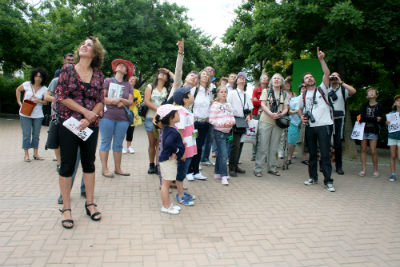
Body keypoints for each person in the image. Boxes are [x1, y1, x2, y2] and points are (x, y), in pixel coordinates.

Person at [55, 36, 105, 229]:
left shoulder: (99, 75)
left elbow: (101, 100)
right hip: (68, 124)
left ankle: (90, 203)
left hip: (90, 125)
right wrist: (85, 112)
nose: (84, 45)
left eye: (89, 45)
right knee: (67, 165)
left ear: (95, 53)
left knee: (89, 163)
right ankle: (66, 209)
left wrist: (90, 117)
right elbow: (61, 96)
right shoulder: (67, 69)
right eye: (83, 43)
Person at [299, 47, 335, 192]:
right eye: (307, 78)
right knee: (312, 154)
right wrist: (302, 117)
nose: (310, 78)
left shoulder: (322, 89)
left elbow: (327, 73)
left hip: (324, 125)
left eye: (311, 76)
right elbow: (300, 109)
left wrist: (321, 59)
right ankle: (313, 177)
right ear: (303, 82)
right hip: (310, 128)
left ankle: (328, 181)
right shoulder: (303, 95)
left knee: (325, 154)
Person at [99, 59, 134, 177]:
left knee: (118, 144)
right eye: (120, 65)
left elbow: (130, 102)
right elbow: (101, 98)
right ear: (115, 68)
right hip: (107, 116)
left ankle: (118, 169)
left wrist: (120, 100)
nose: (121, 66)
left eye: (124, 66)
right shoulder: (107, 81)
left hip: (123, 118)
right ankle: (105, 169)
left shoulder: (128, 85)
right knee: (105, 142)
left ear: (126, 72)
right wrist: (114, 101)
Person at [253, 73, 289, 177]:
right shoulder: (266, 91)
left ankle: (272, 168)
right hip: (266, 121)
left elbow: (286, 107)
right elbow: (263, 104)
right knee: (262, 146)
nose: (276, 80)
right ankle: (258, 169)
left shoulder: (284, 94)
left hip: (278, 122)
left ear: (281, 82)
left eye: (278, 78)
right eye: (274, 78)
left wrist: (281, 114)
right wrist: (271, 114)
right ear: (271, 81)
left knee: (274, 147)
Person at [156, 104, 185, 215]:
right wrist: (177, 151)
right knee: (166, 184)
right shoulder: (172, 131)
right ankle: (166, 206)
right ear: (171, 118)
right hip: (168, 160)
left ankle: (168, 204)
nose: (179, 115)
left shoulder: (169, 129)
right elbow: (168, 143)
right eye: (177, 113)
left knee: (165, 183)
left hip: (167, 159)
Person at [15, 68, 48, 162]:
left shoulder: (45, 89)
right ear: (33, 76)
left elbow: (46, 102)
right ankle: (26, 154)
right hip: (25, 113)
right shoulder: (27, 84)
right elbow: (18, 90)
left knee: (36, 135)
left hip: (38, 115)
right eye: (36, 76)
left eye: (40, 77)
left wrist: (39, 101)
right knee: (26, 134)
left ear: (43, 78)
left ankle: (36, 153)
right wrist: (19, 102)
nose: (38, 78)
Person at [144, 69, 173, 174]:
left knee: (159, 143)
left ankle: (158, 165)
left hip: (163, 120)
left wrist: (169, 71)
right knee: (152, 143)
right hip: (150, 118)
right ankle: (151, 164)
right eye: (161, 73)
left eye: (165, 74)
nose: (162, 74)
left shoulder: (168, 89)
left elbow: (179, 82)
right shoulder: (150, 87)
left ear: (167, 79)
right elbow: (146, 101)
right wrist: (158, 109)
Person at [327, 72, 356, 175]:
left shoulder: (343, 89)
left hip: (339, 119)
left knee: (338, 144)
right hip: (327, 118)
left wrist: (341, 82)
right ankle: (324, 165)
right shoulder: (326, 89)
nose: (334, 78)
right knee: (325, 142)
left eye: (336, 76)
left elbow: (353, 91)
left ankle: (339, 166)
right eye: (332, 76)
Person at [173, 86, 197, 204]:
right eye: (189, 94)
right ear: (185, 99)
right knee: (181, 171)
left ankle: (181, 191)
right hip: (185, 148)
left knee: (184, 169)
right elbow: (180, 132)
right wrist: (181, 151)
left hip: (190, 145)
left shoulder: (187, 111)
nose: (192, 96)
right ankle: (180, 195)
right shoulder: (181, 113)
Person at [187, 69, 212, 181]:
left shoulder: (209, 91)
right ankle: (189, 171)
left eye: (207, 74)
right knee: (193, 145)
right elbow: (188, 104)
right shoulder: (194, 90)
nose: (205, 76)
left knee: (199, 147)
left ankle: (196, 171)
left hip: (204, 124)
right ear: (199, 77)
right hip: (195, 123)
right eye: (203, 74)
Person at [227, 72, 253, 177]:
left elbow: (249, 109)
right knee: (235, 145)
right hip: (234, 120)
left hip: (243, 121)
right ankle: (231, 167)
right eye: (240, 77)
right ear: (236, 80)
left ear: (245, 81)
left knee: (241, 144)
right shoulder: (232, 93)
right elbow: (228, 107)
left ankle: (236, 165)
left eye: (244, 78)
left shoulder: (247, 95)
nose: (242, 79)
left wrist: (248, 116)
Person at [209, 86, 235, 185]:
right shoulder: (215, 105)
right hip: (219, 132)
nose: (224, 93)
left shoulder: (229, 105)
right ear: (218, 93)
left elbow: (232, 117)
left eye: (225, 92)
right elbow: (211, 120)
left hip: (228, 132)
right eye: (221, 92)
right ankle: (224, 175)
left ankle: (217, 173)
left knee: (221, 153)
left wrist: (231, 123)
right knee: (224, 154)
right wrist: (222, 124)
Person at [358, 87, 382, 178]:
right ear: (367, 95)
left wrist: (374, 119)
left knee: (373, 151)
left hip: (374, 130)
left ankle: (375, 170)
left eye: (373, 92)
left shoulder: (379, 105)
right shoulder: (364, 105)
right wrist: (374, 119)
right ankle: (363, 169)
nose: (371, 93)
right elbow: (362, 117)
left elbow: (380, 119)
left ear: (376, 94)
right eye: (369, 92)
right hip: (363, 129)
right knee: (363, 149)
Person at [201, 65, 217, 165]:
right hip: (201, 115)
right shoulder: (199, 85)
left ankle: (205, 158)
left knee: (210, 137)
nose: (209, 72)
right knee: (200, 137)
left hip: (211, 115)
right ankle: (198, 159)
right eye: (207, 70)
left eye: (211, 70)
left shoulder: (214, 86)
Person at [251, 73, 269, 161]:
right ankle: (254, 154)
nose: (265, 79)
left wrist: (259, 102)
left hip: (266, 115)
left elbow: (269, 104)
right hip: (256, 114)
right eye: (263, 78)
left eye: (266, 78)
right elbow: (253, 103)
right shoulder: (256, 90)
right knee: (255, 134)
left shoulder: (270, 90)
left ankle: (263, 155)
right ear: (260, 80)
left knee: (264, 135)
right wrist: (263, 103)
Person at [287, 86, 306, 164]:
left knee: (305, 142)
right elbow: (289, 111)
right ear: (300, 90)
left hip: (305, 123)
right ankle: (289, 158)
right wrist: (297, 111)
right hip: (294, 123)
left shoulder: (310, 99)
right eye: (302, 88)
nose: (304, 90)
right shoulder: (294, 99)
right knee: (292, 142)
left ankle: (304, 159)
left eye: (305, 88)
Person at [123, 76, 142, 154]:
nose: (131, 80)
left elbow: (139, 103)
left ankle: (129, 147)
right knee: (121, 129)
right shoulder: (124, 89)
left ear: (135, 82)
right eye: (130, 78)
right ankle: (120, 146)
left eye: (133, 79)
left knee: (130, 130)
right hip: (123, 111)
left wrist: (137, 103)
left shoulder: (137, 91)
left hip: (132, 113)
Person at [386, 94, 400, 182]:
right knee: (393, 156)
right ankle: (393, 174)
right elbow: (389, 127)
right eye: (398, 100)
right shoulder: (391, 114)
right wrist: (387, 124)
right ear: (395, 103)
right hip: (392, 137)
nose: (399, 102)